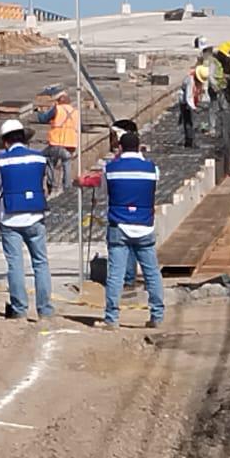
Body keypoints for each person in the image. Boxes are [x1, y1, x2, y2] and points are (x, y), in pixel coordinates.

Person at [0, 119, 54, 321]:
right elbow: (48, 185)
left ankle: (20, 310)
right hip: (35, 217)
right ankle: (45, 310)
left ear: (5, 142)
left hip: (10, 219)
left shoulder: (0, 161)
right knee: (40, 263)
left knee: (15, 264)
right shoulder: (40, 158)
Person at [100, 131, 164, 330]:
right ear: (139, 147)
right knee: (151, 273)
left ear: (120, 147)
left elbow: (105, 192)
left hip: (119, 226)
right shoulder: (152, 169)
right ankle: (157, 316)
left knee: (116, 274)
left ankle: (111, 318)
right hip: (144, 226)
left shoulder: (110, 169)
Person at [36, 90, 79, 194]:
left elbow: (43, 119)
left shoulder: (58, 109)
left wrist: (39, 111)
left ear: (59, 101)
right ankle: (67, 188)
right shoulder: (75, 112)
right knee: (66, 162)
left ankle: (51, 185)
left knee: (46, 157)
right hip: (71, 144)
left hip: (57, 143)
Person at [179, 66, 207, 148]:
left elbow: (198, 92)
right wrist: (194, 108)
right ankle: (189, 141)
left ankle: (191, 140)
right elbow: (188, 97)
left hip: (191, 101)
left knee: (191, 122)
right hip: (184, 102)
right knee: (188, 122)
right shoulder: (190, 81)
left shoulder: (196, 81)